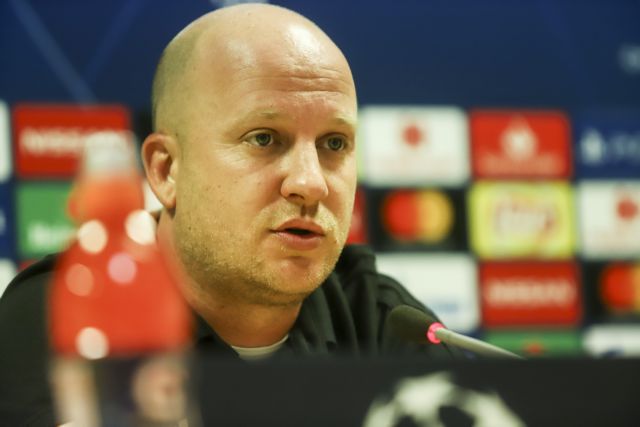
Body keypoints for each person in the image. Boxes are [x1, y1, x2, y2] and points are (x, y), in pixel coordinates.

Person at [0, 3, 460, 424]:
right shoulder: (67, 311)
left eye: (334, 144)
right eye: (264, 138)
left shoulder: (382, 319)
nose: (310, 182)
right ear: (166, 170)